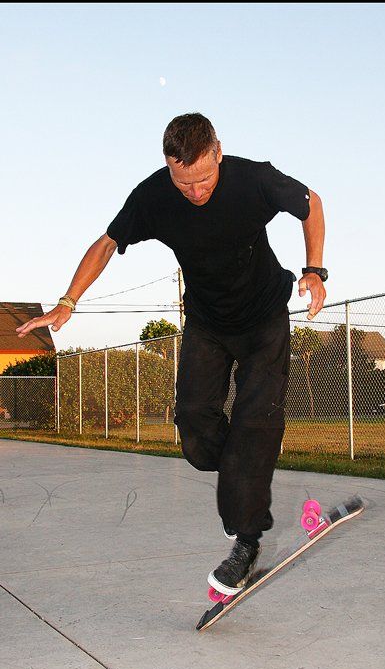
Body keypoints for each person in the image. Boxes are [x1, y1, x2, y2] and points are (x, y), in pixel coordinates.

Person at [15, 113, 327, 598]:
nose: (196, 192)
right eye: (185, 183)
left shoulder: (253, 180)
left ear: (218, 152)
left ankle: (245, 542)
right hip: (207, 323)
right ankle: (249, 467)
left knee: (253, 424)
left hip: (264, 319)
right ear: (168, 167)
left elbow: (311, 204)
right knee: (195, 430)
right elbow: (107, 243)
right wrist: (68, 301)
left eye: (204, 179)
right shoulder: (153, 196)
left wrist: (315, 270)